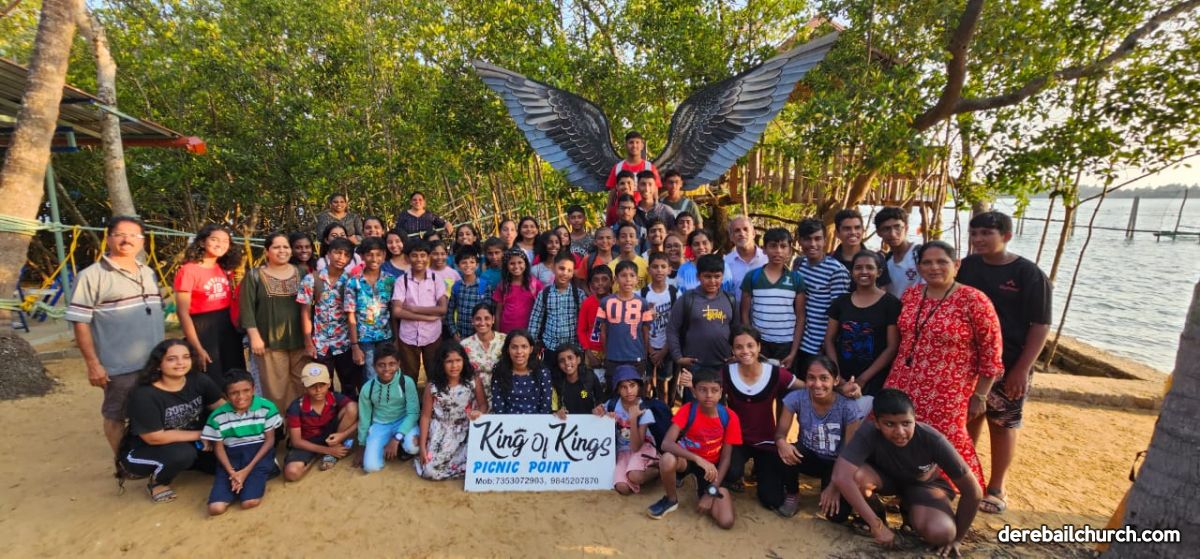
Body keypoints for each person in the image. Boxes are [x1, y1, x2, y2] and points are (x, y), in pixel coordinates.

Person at [884, 240, 1004, 492]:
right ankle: (907, 483)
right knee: (900, 432)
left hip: (948, 389)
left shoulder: (974, 300)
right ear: (919, 267)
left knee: (947, 439)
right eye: (927, 262)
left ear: (956, 265)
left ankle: (955, 489)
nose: (934, 267)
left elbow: (991, 353)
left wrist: (980, 395)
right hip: (904, 381)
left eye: (941, 262)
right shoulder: (912, 295)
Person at [958, 211, 1052, 515]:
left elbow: (1040, 325)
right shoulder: (967, 267)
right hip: (968, 363)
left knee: (1002, 423)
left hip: (1009, 362)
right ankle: (966, 477)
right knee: (966, 420)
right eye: (975, 234)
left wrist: (1022, 369)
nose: (979, 239)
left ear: (1006, 236)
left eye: (987, 233)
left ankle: (997, 486)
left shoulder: (1029, 274)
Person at [832, 389, 983, 556]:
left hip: (923, 485)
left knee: (942, 534)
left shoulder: (933, 439)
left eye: (906, 423)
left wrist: (957, 539)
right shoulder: (868, 432)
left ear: (915, 419)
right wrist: (876, 524)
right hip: (884, 480)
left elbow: (974, 492)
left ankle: (909, 510)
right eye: (889, 424)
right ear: (877, 423)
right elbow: (841, 476)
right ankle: (877, 512)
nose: (900, 432)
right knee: (856, 476)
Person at [67, 216, 166, 457]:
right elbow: (80, 322)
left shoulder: (148, 273)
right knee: (117, 414)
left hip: (155, 362)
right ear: (108, 238)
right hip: (120, 365)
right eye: (120, 234)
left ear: (142, 241)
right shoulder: (91, 276)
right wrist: (93, 364)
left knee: (152, 410)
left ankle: (146, 457)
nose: (126, 240)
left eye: (133, 235)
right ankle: (123, 463)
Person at [680, 326, 803, 506]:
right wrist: (693, 385)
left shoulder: (775, 373)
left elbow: (806, 387)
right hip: (737, 440)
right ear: (732, 350)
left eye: (750, 345)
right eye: (739, 347)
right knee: (730, 472)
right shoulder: (726, 373)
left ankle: (762, 473)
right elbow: (710, 396)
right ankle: (734, 476)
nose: (745, 351)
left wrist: (837, 389)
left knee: (772, 501)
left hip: (766, 441)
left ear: (759, 347)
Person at [118, 339, 224, 503]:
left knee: (224, 461)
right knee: (181, 455)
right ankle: (158, 482)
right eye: (171, 359)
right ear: (158, 364)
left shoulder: (199, 380)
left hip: (190, 441)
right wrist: (204, 434)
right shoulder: (145, 395)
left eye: (185, 357)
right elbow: (154, 437)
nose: (180, 363)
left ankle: (190, 462)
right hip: (143, 451)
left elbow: (222, 409)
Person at [648, 368, 740, 528]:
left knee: (726, 521)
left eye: (714, 390)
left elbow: (726, 458)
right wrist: (698, 459)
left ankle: (702, 485)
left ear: (721, 393)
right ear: (695, 392)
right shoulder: (688, 410)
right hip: (687, 460)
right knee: (667, 459)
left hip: (710, 469)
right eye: (703, 390)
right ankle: (671, 499)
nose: (709, 395)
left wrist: (711, 492)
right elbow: (666, 443)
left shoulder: (729, 417)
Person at [773, 355, 860, 519]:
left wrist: (834, 486)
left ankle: (831, 487)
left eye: (824, 378)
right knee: (784, 451)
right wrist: (781, 442)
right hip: (808, 456)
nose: (817, 384)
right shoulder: (796, 398)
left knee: (837, 516)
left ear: (835, 380)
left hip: (837, 463)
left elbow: (849, 455)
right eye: (811, 378)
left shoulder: (848, 407)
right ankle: (792, 493)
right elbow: (780, 433)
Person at [239, 232, 308, 413]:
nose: (282, 250)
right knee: (276, 390)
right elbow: (247, 309)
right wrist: (254, 336)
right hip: (269, 342)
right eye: (276, 247)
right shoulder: (255, 275)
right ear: (266, 251)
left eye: (286, 246)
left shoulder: (301, 272)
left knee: (302, 385)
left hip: (300, 341)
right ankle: (279, 425)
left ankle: (300, 424)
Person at [174, 224, 246, 386]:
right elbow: (182, 312)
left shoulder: (224, 268)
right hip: (203, 329)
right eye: (214, 239)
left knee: (235, 375)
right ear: (202, 242)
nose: (220, 244)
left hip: (227, 327)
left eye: (225, 241)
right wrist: (197, 347)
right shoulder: (188, 270)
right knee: (211, 377)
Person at [202, 369, 281, 516]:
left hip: (258, 454)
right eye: (234, 393)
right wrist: (232, 473)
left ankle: (269, 467)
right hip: (231, 458)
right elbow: (219, 448)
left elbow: (269, 440)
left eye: (246, 391)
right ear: (226, 395)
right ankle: (239, 482)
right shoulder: (217, 416)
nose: (241, 397)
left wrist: (245, 471)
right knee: (216, 508)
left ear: (253, 389)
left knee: (249, 502)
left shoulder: (267, 407)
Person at [824, 251, 902, 398]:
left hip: (874, 379)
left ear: (879, 272)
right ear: (852, 272)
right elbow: (829, 339)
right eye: (858, 267)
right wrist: (837, 375)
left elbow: (892, 347)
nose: (864, 271)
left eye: (870, 267)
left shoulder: (891, 304)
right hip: (841, 377)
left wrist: (863, 379)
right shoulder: (840, 302)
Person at [297, 237, 361, 399]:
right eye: (337, 253)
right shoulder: (312, 279)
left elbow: (354, 313)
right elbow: (305, 312)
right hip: (321, 343)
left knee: (349, 385)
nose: (341, 258)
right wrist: (308, 342)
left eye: (346, 255)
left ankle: (349, 411)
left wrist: (355, 345)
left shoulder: (351, 281)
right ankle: (329, 413)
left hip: (345, 342)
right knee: (324, 386)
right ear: (329, 254)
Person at [417, 341, 488, 480]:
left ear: (464, 361)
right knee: (429, 471)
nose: (454, 366)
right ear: (441, 363)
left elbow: (483, 405)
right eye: (449, 361)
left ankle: (459, 466)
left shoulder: (473, 381)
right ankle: (453, 466)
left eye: (458, 360)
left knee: (478, 462)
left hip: (466, 429)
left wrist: (479, 412)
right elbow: (425, 416)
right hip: (441, 430)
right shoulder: (432, 386)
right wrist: (422, 447)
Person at [667, 254, 739, 389]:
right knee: (694, 400)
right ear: (698, 276)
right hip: (694, 365)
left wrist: (736, 353)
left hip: (723, 364)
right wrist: (678, 357)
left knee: (719, 399)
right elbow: (672, 329)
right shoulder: (687, 299)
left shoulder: (730, 300)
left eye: (717, 276)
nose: (712, 281)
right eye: (707, 276)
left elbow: (737, 330)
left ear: (722, 277)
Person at [739, 227, 807, 368]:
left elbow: (801, 317)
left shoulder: (796, 279)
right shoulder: (752, 277)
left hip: (786, 345)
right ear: (764, 249)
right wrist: (752, 342)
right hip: (760, 343)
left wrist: (793, 352)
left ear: (790, 250)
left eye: (783, 246)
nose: (778, 251)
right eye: (773, 246)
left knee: (784, 380)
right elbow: (744, 313)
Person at [283, 363, 358, 481]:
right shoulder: (296, 407)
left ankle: (335, 449)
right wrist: (328, 450)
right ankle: (320, 455)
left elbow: (361, 419)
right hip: (308, 442)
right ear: (304, 386)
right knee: (291, 473)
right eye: (312, 386)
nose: (318, 390)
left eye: (322, 385)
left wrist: (342, 435)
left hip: (332, 436)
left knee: (352, 407)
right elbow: (296, 441)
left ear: (329, 383)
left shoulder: (334, 397)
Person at [794, 218, 852, 364]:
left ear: (825, 241)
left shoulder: (836, 271)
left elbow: (838, 313)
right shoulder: (799, 265)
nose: (813, 244)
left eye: (817, 239)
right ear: (800, 241)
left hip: (820, 348)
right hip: (798, 342)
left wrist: (827, 345)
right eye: (807, 239)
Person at [392, 238, 449, 384]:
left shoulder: (436, 279)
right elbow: (396, 311)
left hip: (432, 334)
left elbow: (442, 309)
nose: (419, 259)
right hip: (408, 336)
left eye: (423, 255)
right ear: (407, 258)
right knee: (409, 375)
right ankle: (411, 398)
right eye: (414, 255)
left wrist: (414, 308)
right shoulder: (402, 281)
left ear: (428, 257)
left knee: (434, 373)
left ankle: (432, 399)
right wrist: (427, 317)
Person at [354, 346, 420, 473]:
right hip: (380, 425)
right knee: (371, 467)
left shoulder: (406, 382)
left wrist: (396, 439)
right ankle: (386, 443)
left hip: (403, 421)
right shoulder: (368, 388)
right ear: (374, 366)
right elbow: (365, 418)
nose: (387, 369)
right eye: (381, 365)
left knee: (413, 448)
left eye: (392, 364)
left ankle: (399, 444)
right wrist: (362, 446)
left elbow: (413, 413)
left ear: (398, 364)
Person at [344, 238, 396, 382]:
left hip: (386, 337)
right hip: (364, 340)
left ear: (384, 255)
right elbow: (350, 315)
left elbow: (393, 311)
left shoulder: (390, 280)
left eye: (378, 254)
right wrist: (355, 346)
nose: (374, 259)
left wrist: (396, 339)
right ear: (362, 256)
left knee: (388, 375)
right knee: (370, 376)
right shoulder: (353, 282)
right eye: (369, 254)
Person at [597, 260, 655, 389]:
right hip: (613, 358)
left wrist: (644, 355)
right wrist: (607, 353)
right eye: (623, 275)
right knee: (614, 391)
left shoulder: (643, 303)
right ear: (616, 279)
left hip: (636, 357)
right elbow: (602, 331)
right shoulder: (605, 302)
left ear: (637, 279)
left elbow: (646, 331)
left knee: (635, 392)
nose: (628, 279)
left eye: (632, 275)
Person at [607, 365, 661, 495]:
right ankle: (635, 471)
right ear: (618, 389)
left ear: (638, 386)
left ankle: (657, 469)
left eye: (632, 385)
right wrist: (598, 412)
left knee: (635, 476)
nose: (629, 391)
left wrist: (633, 419)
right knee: (622, 488)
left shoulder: (644, 410)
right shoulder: (612, 405)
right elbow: (597, 412)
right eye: (623, 387)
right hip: (623, 451)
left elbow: (637, 447)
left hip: (642, 448)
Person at [529, 252, 586, 355]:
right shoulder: (544, 294)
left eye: (569, 270)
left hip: (573, 348)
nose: (565, 273)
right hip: (550, 347)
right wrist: (531, 344)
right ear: (553, 268)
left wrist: (584, 347)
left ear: (573, 273)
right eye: (561, 268)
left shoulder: (579, 295)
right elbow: (535, 321)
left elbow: (585, 322)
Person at [642, 252, 678, 402]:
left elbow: (676, 325)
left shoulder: (674, 293)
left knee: (663, 385)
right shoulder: (643, 293)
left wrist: (663, 351)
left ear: (669, 269)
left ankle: (663, 412)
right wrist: (650, 351)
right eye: (655, 267)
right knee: (646, 384)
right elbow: (642, 326)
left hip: (666, 347)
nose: (659, 270)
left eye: (663, 266)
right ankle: (645, 411)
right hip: (647, 346)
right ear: (649, 270)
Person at [489, 330, 553, 414]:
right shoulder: (500, 371)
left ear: (531, 349)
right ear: (508, 349)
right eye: (514, 347)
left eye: (524, 347)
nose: (519, 351)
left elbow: (545, 407)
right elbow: (498, 408)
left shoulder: (542, 373)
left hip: (537, 420)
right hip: (507, 420)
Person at [605, 131, 661, 225]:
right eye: (631, 142)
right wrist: (607, 219)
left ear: (642, 145)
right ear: (626, 145)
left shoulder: (650, 167)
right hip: (622, 212)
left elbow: (655, 194)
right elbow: (612, 195)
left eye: (637, 142)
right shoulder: (618, 167)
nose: (634, 145)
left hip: (643, 212)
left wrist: (656, 212)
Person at [460, 302, 506, 406]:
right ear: (472, 321)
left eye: (487, 318)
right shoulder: (464, 345)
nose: (482, 322)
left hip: (502, 396)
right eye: (478, 319)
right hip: (474, 397)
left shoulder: (505, 341)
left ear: (493, 319)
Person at [831, 209, 890, 288]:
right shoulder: (828, 262)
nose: (853, 232)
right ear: (837, 233)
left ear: (863, 231)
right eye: (847, 228)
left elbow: (883, 291)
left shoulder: (878, 259)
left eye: (857, 228)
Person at [577, 264, 614, 387]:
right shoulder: (587, 303)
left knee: (610, 385)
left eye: (604, 279)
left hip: (612, 352)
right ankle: (586, 399)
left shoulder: (616, 303)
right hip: (592, 352)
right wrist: (588, 353)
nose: (600, 283)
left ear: (612, 282)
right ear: (590, 284)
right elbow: (581, 330)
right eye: (596, 280)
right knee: (589, 387)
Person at [874, 206, 922, 298]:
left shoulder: (919, 255)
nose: (892, 234)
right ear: (879, 233)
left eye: (897, 227)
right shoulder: (886, 262)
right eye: (886, 229)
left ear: (906, 228)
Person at [492, 249, 543, 333]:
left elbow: (542, 311)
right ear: (506, 266)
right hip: (506, 331)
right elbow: (498, 313)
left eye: (520, 262)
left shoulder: (535, 284)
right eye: (512, 263)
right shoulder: (503, 286)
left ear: (525, 264)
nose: (516, 266)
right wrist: (497, 334)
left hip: (528, 331)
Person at [551, 344, 606, 416]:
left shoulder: (590, 376)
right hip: (566, 421)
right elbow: (553, 408)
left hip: (590, 420)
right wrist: (558, 412)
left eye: (570, 358)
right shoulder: (556, 381)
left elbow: (601, 399)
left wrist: (598, 409)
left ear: (578, 359)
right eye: (562, 361)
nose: (566, 363)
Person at [445, 249, 487, 341]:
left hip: (480, 337)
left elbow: (490, 314)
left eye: (472, 262)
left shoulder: (484, 286)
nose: (468, 265)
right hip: (461, 337)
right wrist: (454, 333)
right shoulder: (456, 287)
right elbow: (449, 313)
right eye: (464, 262)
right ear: (458, 266)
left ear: (477, 265)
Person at [724, 216, 768, 302]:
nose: (742, 233)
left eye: (745, 229)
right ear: (731, 237)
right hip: (736, 310)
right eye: (737, 230)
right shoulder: (726, 263)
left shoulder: (767, 259)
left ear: (753, 234)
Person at [608, 223, 649, 289]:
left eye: (631, 236)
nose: (628, 239)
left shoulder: (646, 265)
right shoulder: (610, 267)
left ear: (637, 241)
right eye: (623, 236)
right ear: (617, 241)